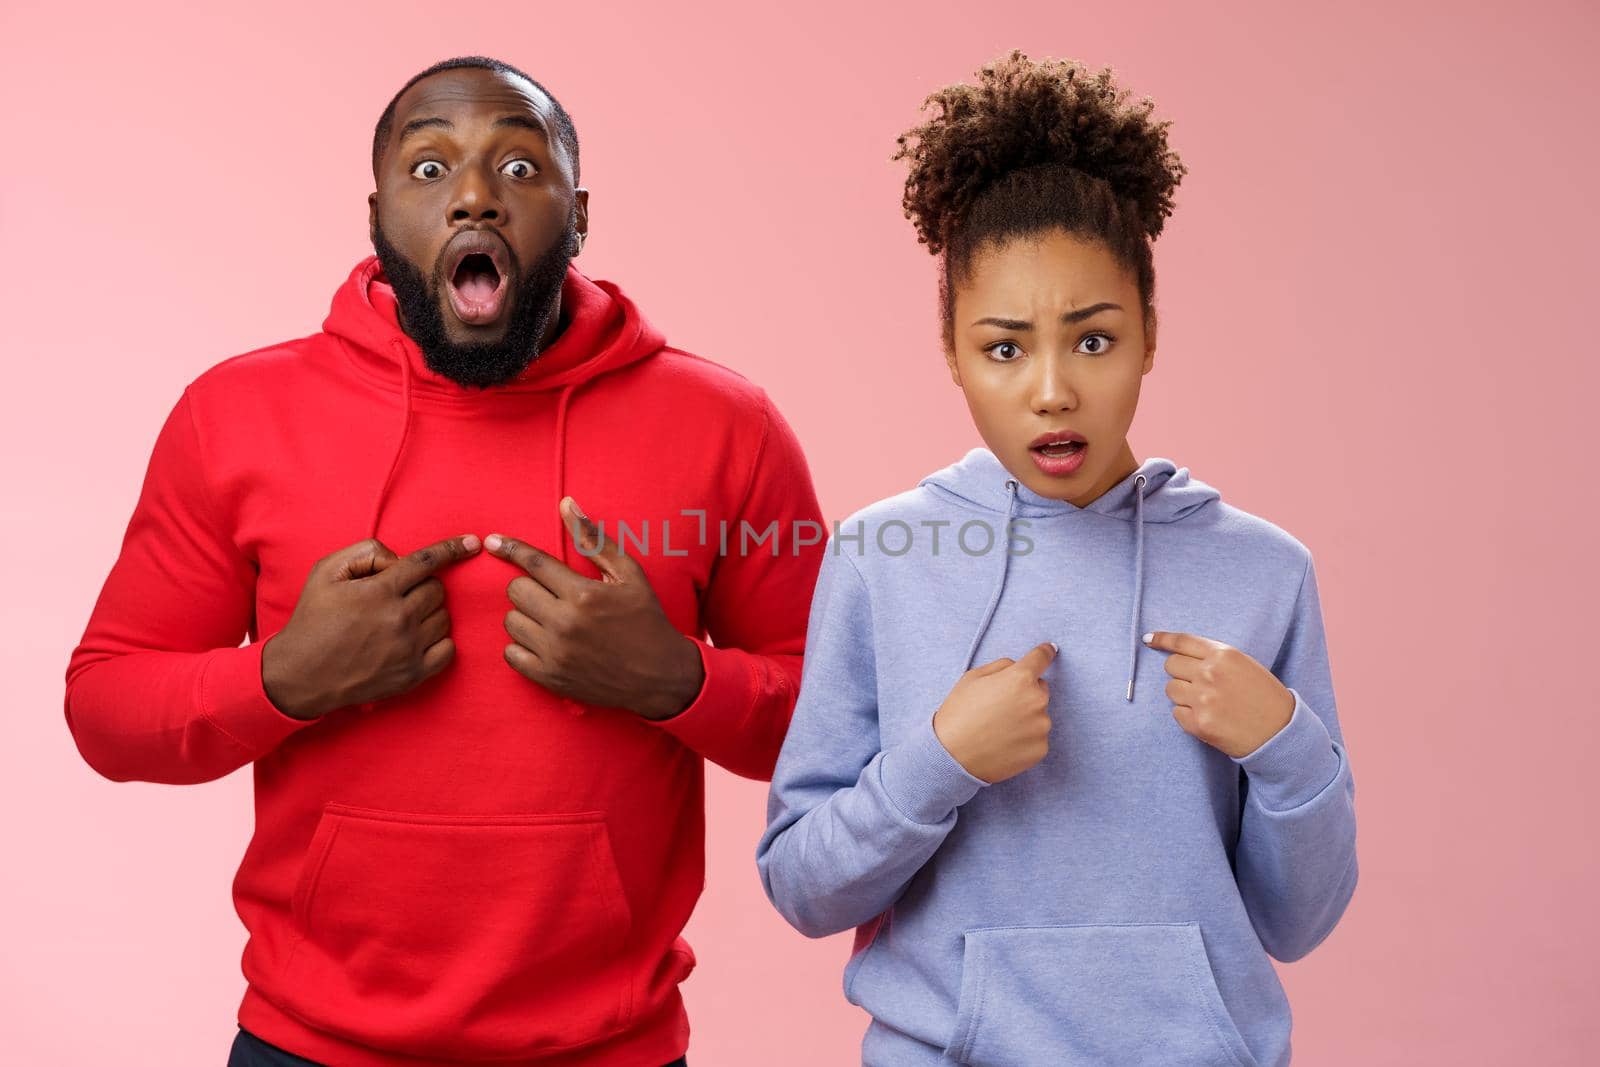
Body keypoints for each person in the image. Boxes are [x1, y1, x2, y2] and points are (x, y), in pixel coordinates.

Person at [64, 55, 825, 1067]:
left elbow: (841, 720)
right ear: (375, 213)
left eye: (518, 166)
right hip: (309, 1043)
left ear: (579, 212)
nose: (474, 194)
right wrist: (283, 677)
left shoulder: (727, 424)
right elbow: (107, 709)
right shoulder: (234, 417)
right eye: (429, 170)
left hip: (613, 1047)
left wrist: (678, 679)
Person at [757, 50, 1358, 1067]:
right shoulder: (881, 556)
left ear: (1150, 333)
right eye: (1003, 347)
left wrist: (1286, 747)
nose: (1050, 391)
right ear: (950, 349)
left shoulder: (1263, 571)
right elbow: (803, 888)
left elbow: (1297, 922)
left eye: (1091, 340)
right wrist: (937, 762)